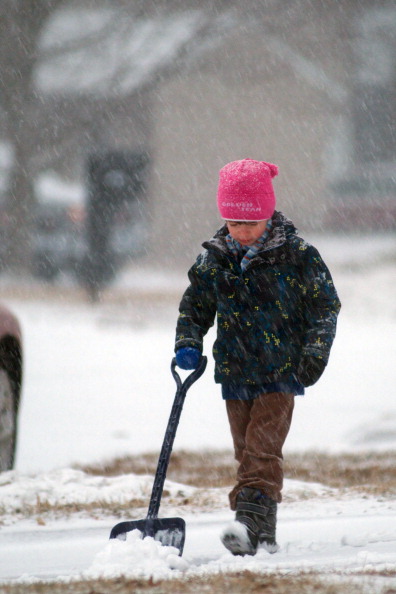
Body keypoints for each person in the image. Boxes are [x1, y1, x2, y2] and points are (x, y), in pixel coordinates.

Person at [174, 158, 341, 556]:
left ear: (267, 214)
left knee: (262, 451)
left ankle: (246, 523)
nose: (241, 232)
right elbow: (195, 305)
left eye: (249, 223)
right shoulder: (214, 258)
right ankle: (263, 534)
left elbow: (325, 306)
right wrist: (188, 341)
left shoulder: (298, 255)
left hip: (283, 370)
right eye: (233, 223)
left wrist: (315, 353)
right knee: (246, 453)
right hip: (235, 371)